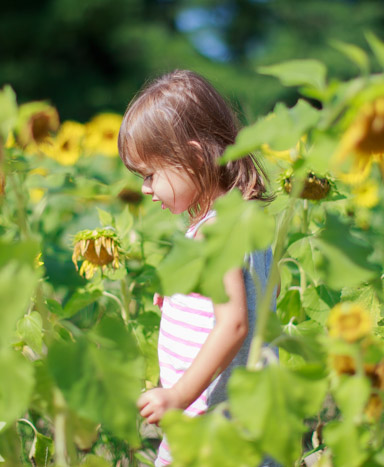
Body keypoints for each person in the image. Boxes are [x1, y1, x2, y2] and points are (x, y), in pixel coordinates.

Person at [117, 69, 277, 466]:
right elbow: (257, 299)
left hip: (209, 418)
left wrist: (178, 395)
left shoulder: (214, 233)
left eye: (150, 174)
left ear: (192, 156)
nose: (145, 188)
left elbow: (234, 323)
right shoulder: (243, 221)